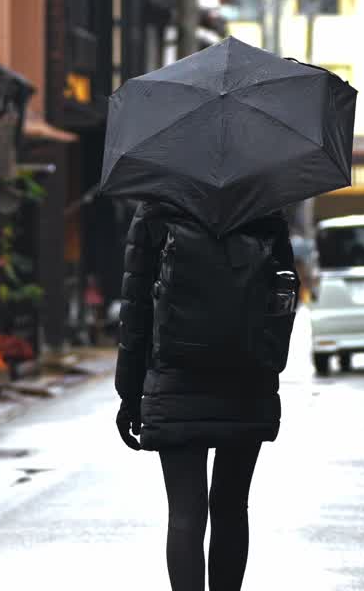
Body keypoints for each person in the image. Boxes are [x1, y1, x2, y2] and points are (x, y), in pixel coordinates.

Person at [114, 200, 298, 591]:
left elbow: (135, 314)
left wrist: (129, 394)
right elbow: (282, 299)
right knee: (231, 507)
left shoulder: (156, 208)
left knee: (185, 513)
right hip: (247, 379)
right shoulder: (264, 206)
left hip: (173, 377)